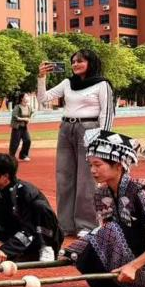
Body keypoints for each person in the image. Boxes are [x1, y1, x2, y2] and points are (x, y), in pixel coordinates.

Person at [63, 129, 145, 287]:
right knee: (93, 242)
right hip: (131, 253)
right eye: (90, 165)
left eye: (98, 165)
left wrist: (132, 266)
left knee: (108, 232)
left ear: (119, 166)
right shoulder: (101, 194)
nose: (92, 170)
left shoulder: (140, 193)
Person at [37, 49, 115, 236]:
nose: (75, 64)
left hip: (90, 129)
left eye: (80, 61)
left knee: (86, 179)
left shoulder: (102, 84)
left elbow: (107, 112)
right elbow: (43, 99)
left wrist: (102, 138)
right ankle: (65, 225)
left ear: (91, 62)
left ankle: (86, 225)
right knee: (63, 177)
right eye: (73, 62)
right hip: (66, 129)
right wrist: (41, 78)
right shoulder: (67, 83)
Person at [9, 92, 33, 161]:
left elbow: (31, 115)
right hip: (17, 127)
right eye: (26, 96)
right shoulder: (17, 107)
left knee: (27, 140)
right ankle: (11, 156)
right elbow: (15, 116)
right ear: (22, 98)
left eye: (28, 96)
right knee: (15, 142)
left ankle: (23, 155)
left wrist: (29, 119)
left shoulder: (29, 107)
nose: (27, 98)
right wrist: (24, 119)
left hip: (24, 127)